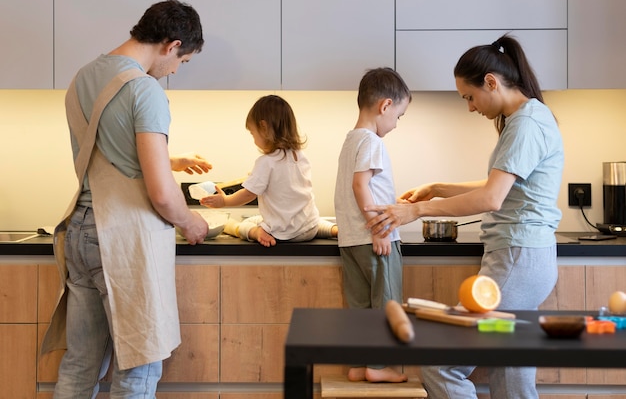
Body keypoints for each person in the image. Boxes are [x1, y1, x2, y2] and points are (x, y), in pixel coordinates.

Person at [365, 35, 564, 398]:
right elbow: (500, 185)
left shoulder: (525, 124)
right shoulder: (529, 116)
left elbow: (491, 197)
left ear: (491, 81)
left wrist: (415, 211)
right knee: (511, 374)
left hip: (517, 258)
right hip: (526, 256)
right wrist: (438, 187)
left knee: (440, 363)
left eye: (469, 97)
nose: (471, 108)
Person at [40, 0, 211, 397]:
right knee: (138, 368)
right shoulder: (145, 90)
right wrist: (191, 222)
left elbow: (107, 152)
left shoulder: (83, 77)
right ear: (172, 45)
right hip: (124, 241)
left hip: (80, 233)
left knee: (80, 366)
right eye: (182, 62)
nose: (174, 71)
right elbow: (162, 195)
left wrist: (171, 158)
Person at [334, 67, 412, 383]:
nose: (395, 125)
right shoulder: (371, 141)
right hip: (375, 238)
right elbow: (359, 186)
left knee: (359, 306)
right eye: (399, 116)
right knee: (387, 304)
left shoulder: (350, 140)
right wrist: (379, 229)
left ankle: (357, 364)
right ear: (385, 106)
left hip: (351, 241)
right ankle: (378, 366)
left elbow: (354, 188)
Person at [200, 94, 337, 247]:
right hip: (309, 227)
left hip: (283, 233)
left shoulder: (266, 162)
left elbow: (249, 194)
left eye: (252, 133)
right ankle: (332, 229)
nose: (253, 139)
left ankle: (257, 233)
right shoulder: (299, 156)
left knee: (248, 223)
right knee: (313, 221)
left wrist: (225, 201)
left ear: (263, 128)